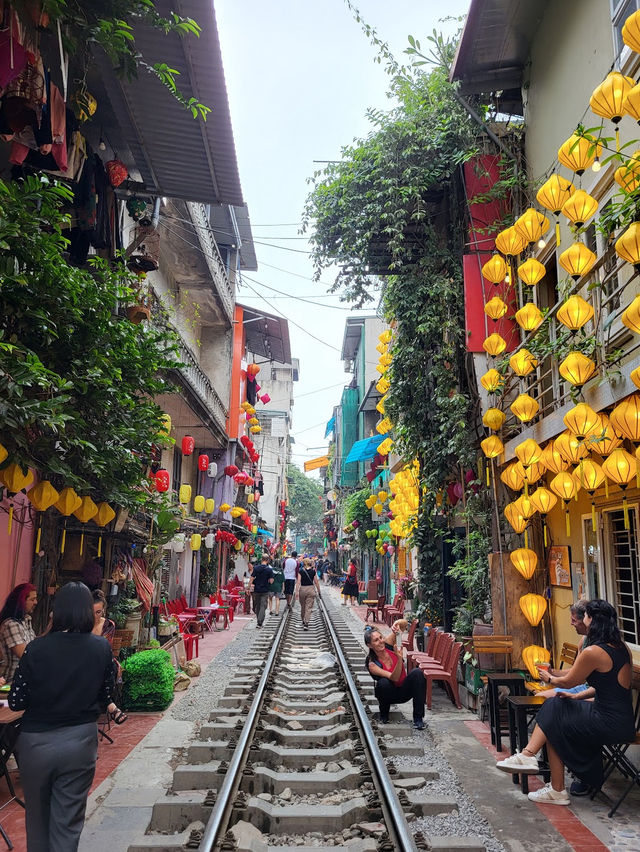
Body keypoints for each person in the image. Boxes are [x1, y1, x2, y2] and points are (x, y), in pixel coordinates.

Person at [9, 582, 116, 851]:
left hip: (35, 745)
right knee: (67, 822)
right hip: (79, 743)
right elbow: (106, 696)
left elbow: (17, 700)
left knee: (37, 819)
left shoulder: (35, 648)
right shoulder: (100, 648)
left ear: (56, 612)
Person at [496, 599, 635, 805]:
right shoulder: (621, 647)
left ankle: (536, 764)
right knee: (555, 713)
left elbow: (570, 681)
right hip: (621, 720)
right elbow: (607, 686)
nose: (581, 619)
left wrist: (549, 679)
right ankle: (549, 781)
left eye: (585, 615)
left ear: (592, 620)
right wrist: (576, 697)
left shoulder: (593, 652)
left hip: (607, 721)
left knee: (554, 712)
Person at [365, 620, 425, 729]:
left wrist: (396, 624)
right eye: (376, 640)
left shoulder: (388, 645)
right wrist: (399, 658)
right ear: (369, 645)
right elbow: (394, 677)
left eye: (381, 638)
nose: (380, 641)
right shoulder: (372, 663)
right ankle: (384, 715)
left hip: (404, 691)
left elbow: (404, 624)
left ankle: (418, 719)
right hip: (389, 695)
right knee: (383, 683)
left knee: (417, 673)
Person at [0, 583, 38, 683]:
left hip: (23, 680)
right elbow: (24, 654)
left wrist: (51, 627)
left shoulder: (26, 622)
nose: (36, 602)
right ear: (21, 601)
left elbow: (36, 645)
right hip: (11, 681)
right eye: (32, 599)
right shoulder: (11, 624)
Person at [296, 557, 322, 628]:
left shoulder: (300, 571)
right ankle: (306, 622)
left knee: (303, 606)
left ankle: (303, 620)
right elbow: (316, 582)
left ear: (304, 563)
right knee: (309, 607)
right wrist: (319, 591)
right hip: (311, 589)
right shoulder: (313, 571)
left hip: (302, 589)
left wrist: (296, 592)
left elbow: (298, 582)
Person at [251, 555, 274, 628]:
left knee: (258, 605)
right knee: (263, 606)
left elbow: (252, 578)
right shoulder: (269, 570)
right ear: (267, 560)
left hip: (256, 590)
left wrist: (248, 587)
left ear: (261, 559)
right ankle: (260, 622)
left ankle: (259, 620)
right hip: (265, 590)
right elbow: (271, 581)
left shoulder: (256, 568)